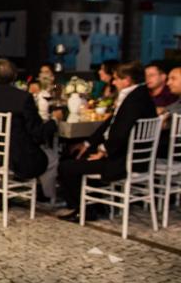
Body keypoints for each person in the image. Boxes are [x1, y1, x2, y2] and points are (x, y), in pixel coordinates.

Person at [56, 61, 157, 222]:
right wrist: (88, 144)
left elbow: (121, 133)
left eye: (116, 78)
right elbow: (110, 123)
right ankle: (96, 204)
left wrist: (103, 151)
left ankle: (83, 209)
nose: (113, 82)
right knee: (74, 153)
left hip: (123, 161)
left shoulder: (134, 100)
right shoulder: (139, 94)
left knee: (66, 166)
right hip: (127, 155)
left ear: (127, 80)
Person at [0, 58, 62, 200]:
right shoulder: (23, 98)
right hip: (17, 159)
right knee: (52, 158)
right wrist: (54, 120)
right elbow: (37, 134)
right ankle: (48, 198)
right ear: (15, 76)